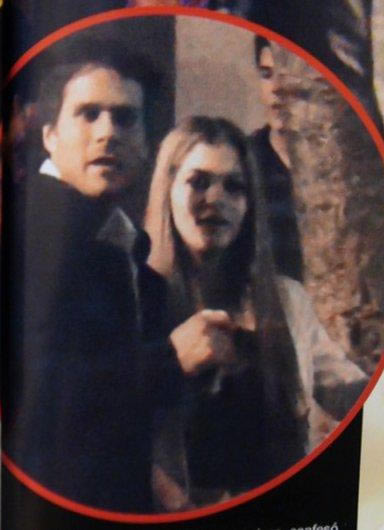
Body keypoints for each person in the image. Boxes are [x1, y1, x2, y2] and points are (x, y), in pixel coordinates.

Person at [144, 116, 368, 511]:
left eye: (234, 186)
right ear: (168, 190)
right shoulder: (135, 300)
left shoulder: (287, 300)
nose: (216, 199)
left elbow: (350, 391)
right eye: (199, 182)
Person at [3, 41, 181, 514]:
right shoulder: (32, 232)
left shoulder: (116, 241)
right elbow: (53, 399)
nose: (107, 134)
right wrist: (173, 359)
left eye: (125, 118)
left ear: (146, 143)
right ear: (49, 135)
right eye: (88, 114)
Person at [248, 35, 304, 282]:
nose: (276, 88)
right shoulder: (243, 161)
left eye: (286, 75)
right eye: (266, 74)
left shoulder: (340, 165)